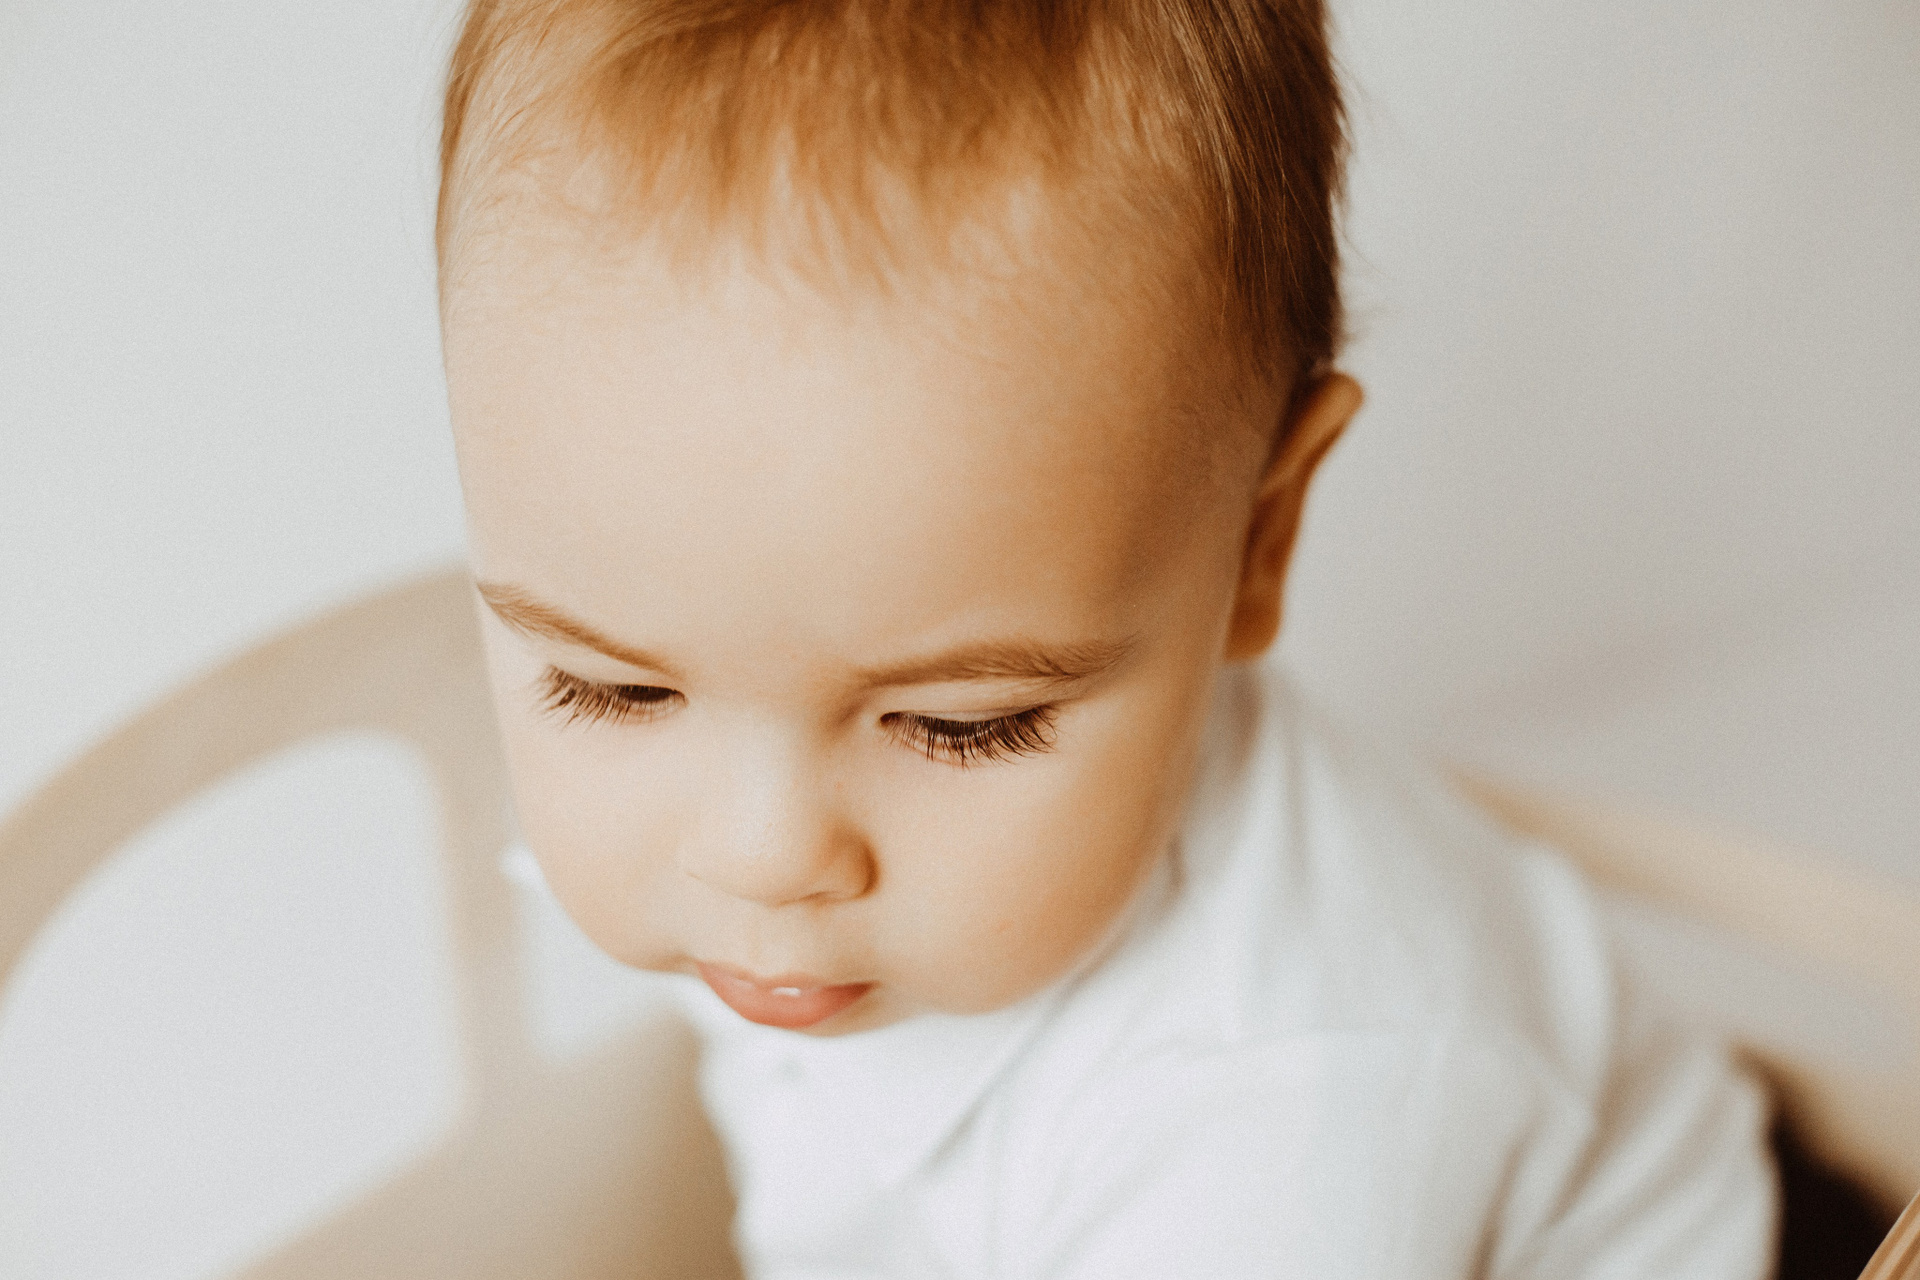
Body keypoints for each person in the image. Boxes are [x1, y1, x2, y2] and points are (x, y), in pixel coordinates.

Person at [434, 0, 1777, 1273]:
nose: (764, 855)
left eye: (961, 725)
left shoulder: (1278, 1140)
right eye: (610, 692)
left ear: (1262, 536)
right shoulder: (823, 882)